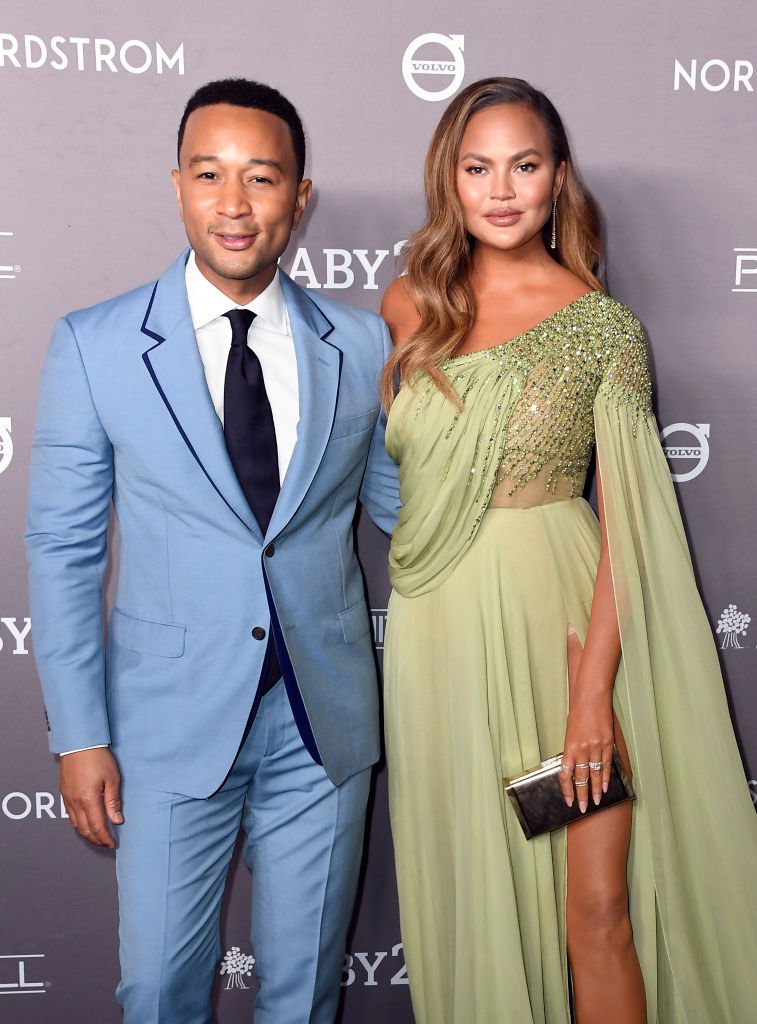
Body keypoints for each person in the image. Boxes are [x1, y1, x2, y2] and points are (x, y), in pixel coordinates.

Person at [380, 77, 757, 1024]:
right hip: (439, 639)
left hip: (565, 636)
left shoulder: (602, 327)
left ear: (557, 179)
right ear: (449, 180)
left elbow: (631, 523)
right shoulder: (406, 307)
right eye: (478, 167)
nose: (500, 189)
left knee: (595, 914)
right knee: (478, 904)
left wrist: (593, 693)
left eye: (524, 164)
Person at [25, 78, 399, 1024]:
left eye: (261, 178)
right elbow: (64, 550)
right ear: (178, 185)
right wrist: (80, 733)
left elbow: (411, 519)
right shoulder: (94, 345)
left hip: (322, 725)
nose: (234, 204)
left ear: (299, 196)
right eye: (209, 175)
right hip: (161, 728)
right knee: (157, 992)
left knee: (302, 995)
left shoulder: (360, 346)